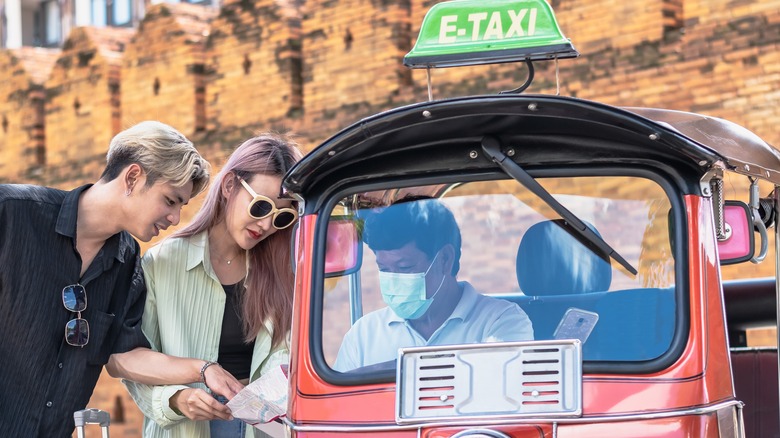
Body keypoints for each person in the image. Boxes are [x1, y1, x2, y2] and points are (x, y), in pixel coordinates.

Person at [0, 121, 242, 437]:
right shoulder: (10, 214)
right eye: (170, 200)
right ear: (132, 177)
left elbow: (123, 355)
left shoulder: (127, 261)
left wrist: (205, 369)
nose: (175, 219)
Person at [119, 133, 303, 438]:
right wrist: (176, 400)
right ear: (230, 185)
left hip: (261, 429)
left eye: (282, 216)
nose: (267, 225)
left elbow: (287, 356)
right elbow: (132, 361)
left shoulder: (283, 272)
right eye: (260, 207)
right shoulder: (161, 263)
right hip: (185, 428)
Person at [333, 198, 534, 372]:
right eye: (384, 269)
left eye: (405, 267)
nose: (393, 280)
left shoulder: (502, 322)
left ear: (445, 259)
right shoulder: (363, 335)